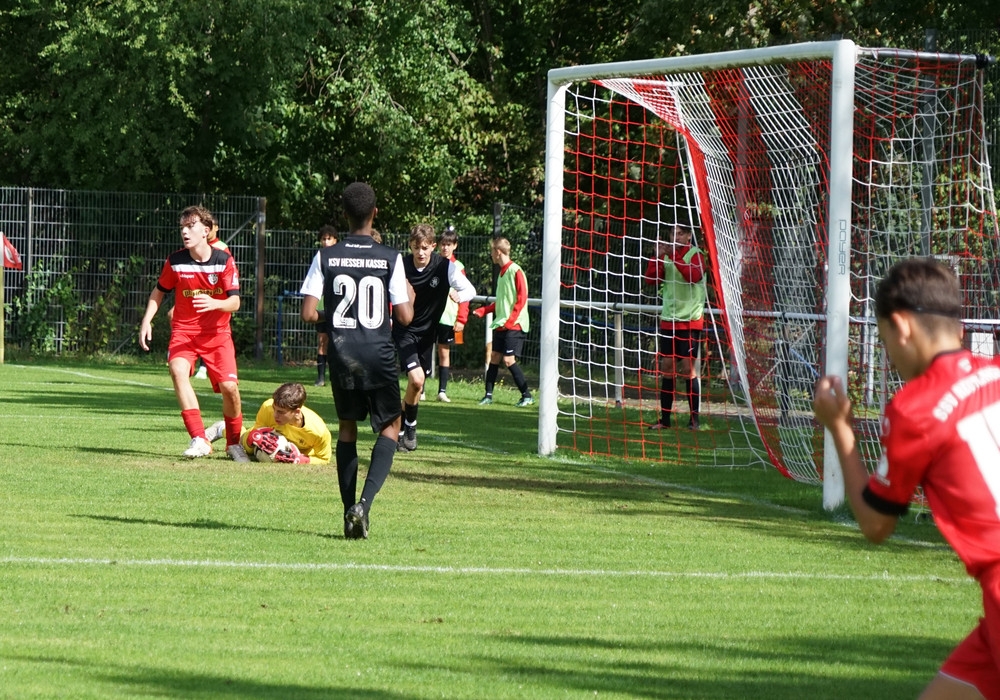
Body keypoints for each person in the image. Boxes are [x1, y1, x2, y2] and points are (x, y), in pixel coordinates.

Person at [813, 257, 1000, 700]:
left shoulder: (916, 409)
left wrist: (841, 428)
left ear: (901, 327)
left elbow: (877, 524)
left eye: (883, 341)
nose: (891, 356)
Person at [300, 182, 414, 540]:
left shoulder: (326, 256)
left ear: (345, 216)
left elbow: (307, 313)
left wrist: (332, 317)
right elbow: (406, 317)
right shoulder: (390, 257)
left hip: (342, 353)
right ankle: (363, 504)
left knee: (347, 428)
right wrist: (407, 294)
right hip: (378, 353)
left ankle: (347, 513)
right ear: (375, 213)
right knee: (391, 427)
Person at [138, 205, 249, 462]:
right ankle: (200, 438)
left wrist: (215, 304)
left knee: (230, 388)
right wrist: (147, 320)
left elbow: (235, 302)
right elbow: (159, 291)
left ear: (206, 231)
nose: (185, 232)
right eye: (182, 228)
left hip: (217, 334)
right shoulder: (175, 261)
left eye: (191, 227)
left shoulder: (223, 260)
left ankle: (233, 443)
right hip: (184, 332)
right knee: (177, 370)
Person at [393, 223, 476, 451]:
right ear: (410, 246)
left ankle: (405, 428)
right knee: (417, 379)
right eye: (415, 247)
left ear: (433, 246)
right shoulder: (400, 266)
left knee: (416, 386)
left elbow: (471, 290)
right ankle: (409, 426)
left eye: (425, 247)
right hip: (404, 330)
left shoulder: (445, 268)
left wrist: (460, 295)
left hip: (427, 334)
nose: (420, 252)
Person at [643, 224, 707, 430]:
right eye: (673, 234)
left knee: (688, 369)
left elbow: (693, 276)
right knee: (667, 368)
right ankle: (665, 421)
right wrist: (658, 256)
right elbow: (650, 279)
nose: (675, 237)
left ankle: (694, 420)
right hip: (668, 320)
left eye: (680, 233)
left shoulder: (696, 254)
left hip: (689, 321)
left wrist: (674, 255)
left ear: (689, 236)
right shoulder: (667, 256)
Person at [471, 237, 533, 407]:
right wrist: (484, 310)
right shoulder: (501, 273)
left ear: (498, 252)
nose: (491, 255)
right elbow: (502, 301)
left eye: (492, 251)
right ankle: (488, 396)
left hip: (515, 324)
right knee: (494, 357)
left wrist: (511, 321)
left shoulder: (516, 271)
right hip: (503, 323)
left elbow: (521, 300)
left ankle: (527, 395)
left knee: (508, 360)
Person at [205, 382, 332, 464]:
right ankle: (221, 428)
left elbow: (324, 459)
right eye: (274, 409)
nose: (275, 414)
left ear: (297, 412)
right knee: (241, 443)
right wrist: (252, 440)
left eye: (281, 412)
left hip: (294, 453)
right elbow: (252, 443)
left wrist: (299, 459)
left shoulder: (318, 431)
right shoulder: (267, 407)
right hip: (262, 441)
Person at [167, 222, 229, 380]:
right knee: (171, 314)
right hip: (194, 296)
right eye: (183, 228)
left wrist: (216, 300)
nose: (185, 232)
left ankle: (203, 366)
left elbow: (226, 276)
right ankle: (180, 353)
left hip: (213, 298)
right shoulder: (190, 249)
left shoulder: (221, 248)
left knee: (207, 328)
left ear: (212, 229)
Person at [434, 224, 470, 402]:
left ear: (455, 246)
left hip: (448, 316)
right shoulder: (433, 262)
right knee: (423, 350)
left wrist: (461, 319)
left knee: (444, 352)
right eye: (443, 244)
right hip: (430, 315)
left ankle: (442, 390)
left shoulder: (458, 267)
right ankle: (421, 388)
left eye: (449, 244)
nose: (445, 247)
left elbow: (465, 296)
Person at [313, 225, 339, 387]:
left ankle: (337, 376)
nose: (326, 241)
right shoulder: (319, 258)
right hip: (323, 306)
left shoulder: (341, 257)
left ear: (336, 240)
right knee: (322, 341)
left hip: (338, 307)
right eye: (324, 238)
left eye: (329, 238)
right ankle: (321, 377)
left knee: (339, 343)